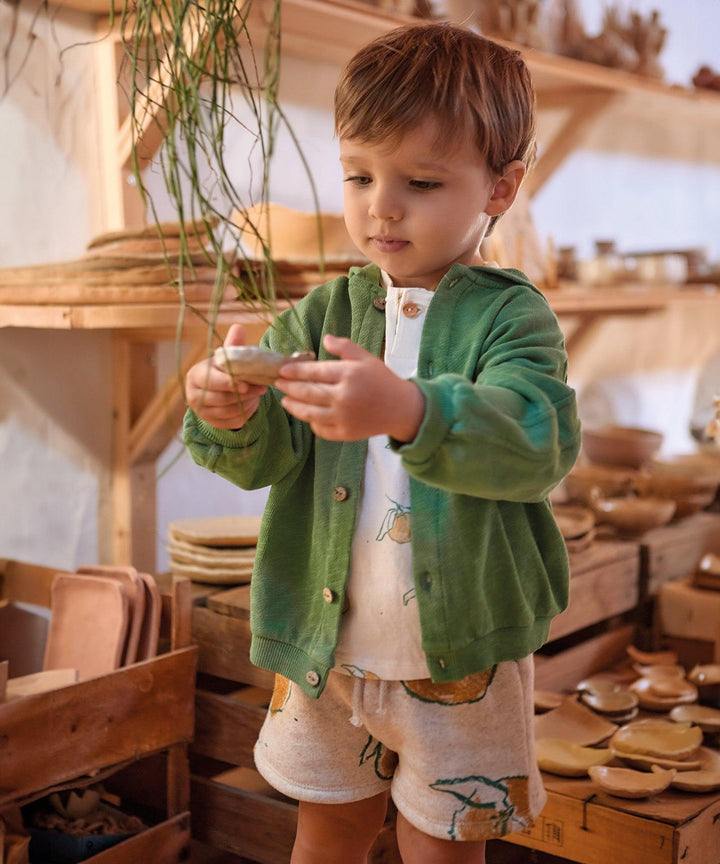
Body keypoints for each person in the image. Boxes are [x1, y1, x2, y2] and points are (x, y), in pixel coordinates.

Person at [183, 21, 581, 864]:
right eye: (358, 175)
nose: (380, 205)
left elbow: (538, 439)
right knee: (326, 825)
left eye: (421, 181)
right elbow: (266, 458)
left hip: (461, 655)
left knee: (441, 845)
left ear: (500, 189)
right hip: (328, 649)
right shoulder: (325, 313)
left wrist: (408, 408)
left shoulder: (511, 315)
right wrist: (226, 414)